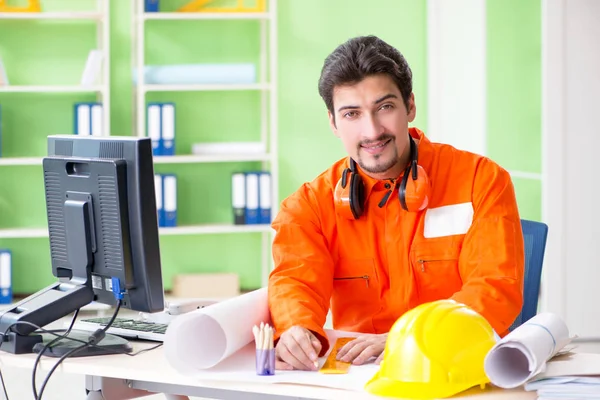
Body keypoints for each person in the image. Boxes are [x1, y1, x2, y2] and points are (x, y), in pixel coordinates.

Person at [267, 35, 525, 372]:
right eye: (351, 114)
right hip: (360, 376)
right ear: (333, 122)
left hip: (460, 364)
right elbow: (295, 281)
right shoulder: (307, 206)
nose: (372, 130)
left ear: (410, 106)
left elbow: (495, 289)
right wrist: (296, 330)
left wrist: (407, 337)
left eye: (384, 107)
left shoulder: (481, 180)